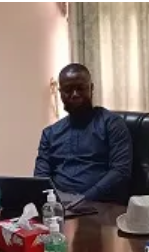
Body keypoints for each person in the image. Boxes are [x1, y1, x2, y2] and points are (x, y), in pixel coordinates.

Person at [34, 63, 133, 202]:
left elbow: (120, 172)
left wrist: (83, 200)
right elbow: (41, 177)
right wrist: (53, 201)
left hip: (100, 204)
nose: (75, 94)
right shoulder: (50, 133)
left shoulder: (112, 124)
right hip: (58, 204)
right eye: (68, 90)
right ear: (60, 93)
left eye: (80, 88)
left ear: (91, 88)